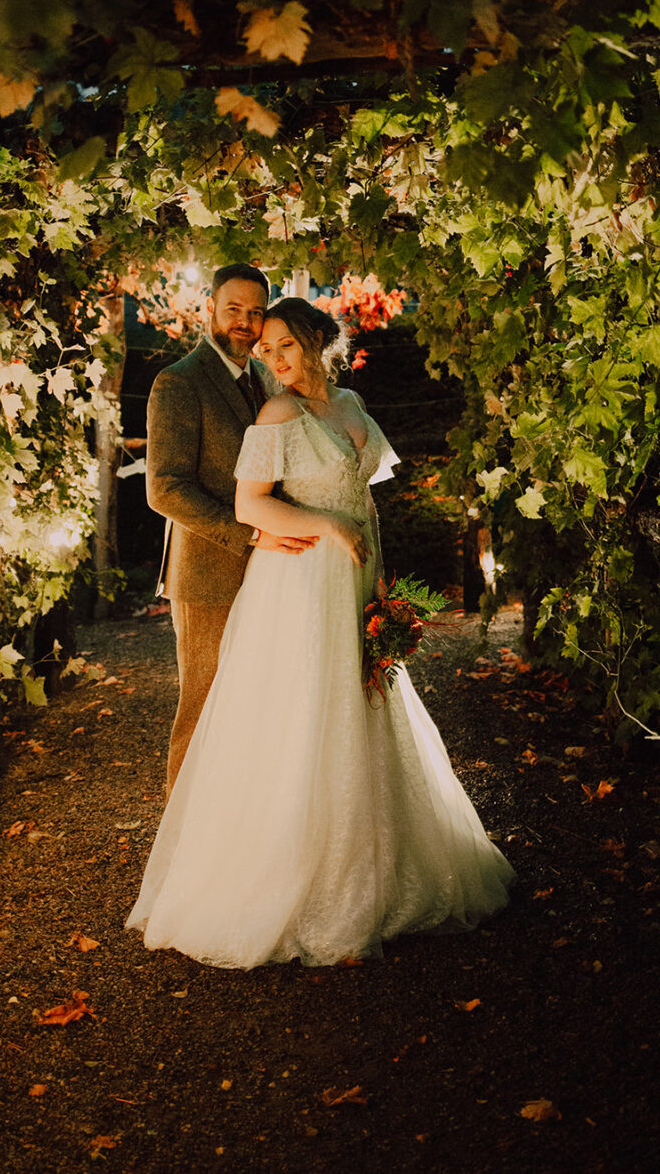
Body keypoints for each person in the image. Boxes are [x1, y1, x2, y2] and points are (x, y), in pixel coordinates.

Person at [127, 297, 514, 968]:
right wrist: (326, 527)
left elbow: (364, 500)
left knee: (364, 703)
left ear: (316, 340)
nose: (275, 360)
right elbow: (251, 502)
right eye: (267, 349)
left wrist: (382, 582)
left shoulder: (354, 406)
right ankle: (301, 882)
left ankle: (381, 871)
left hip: (357, 582)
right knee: (305, 713)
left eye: (286, 345)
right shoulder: (277, 415)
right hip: (302, 585)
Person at [145, 263, 315, 795]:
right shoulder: (178, 382)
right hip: (208, 576)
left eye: (255, 312)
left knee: (256, 709)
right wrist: (249, 534)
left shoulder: (264, 378)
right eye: (233, 310)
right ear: (210, 309)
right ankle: (181, 850)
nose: (244, 322)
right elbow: (165, 489)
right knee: (203, 708)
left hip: (271, 569)